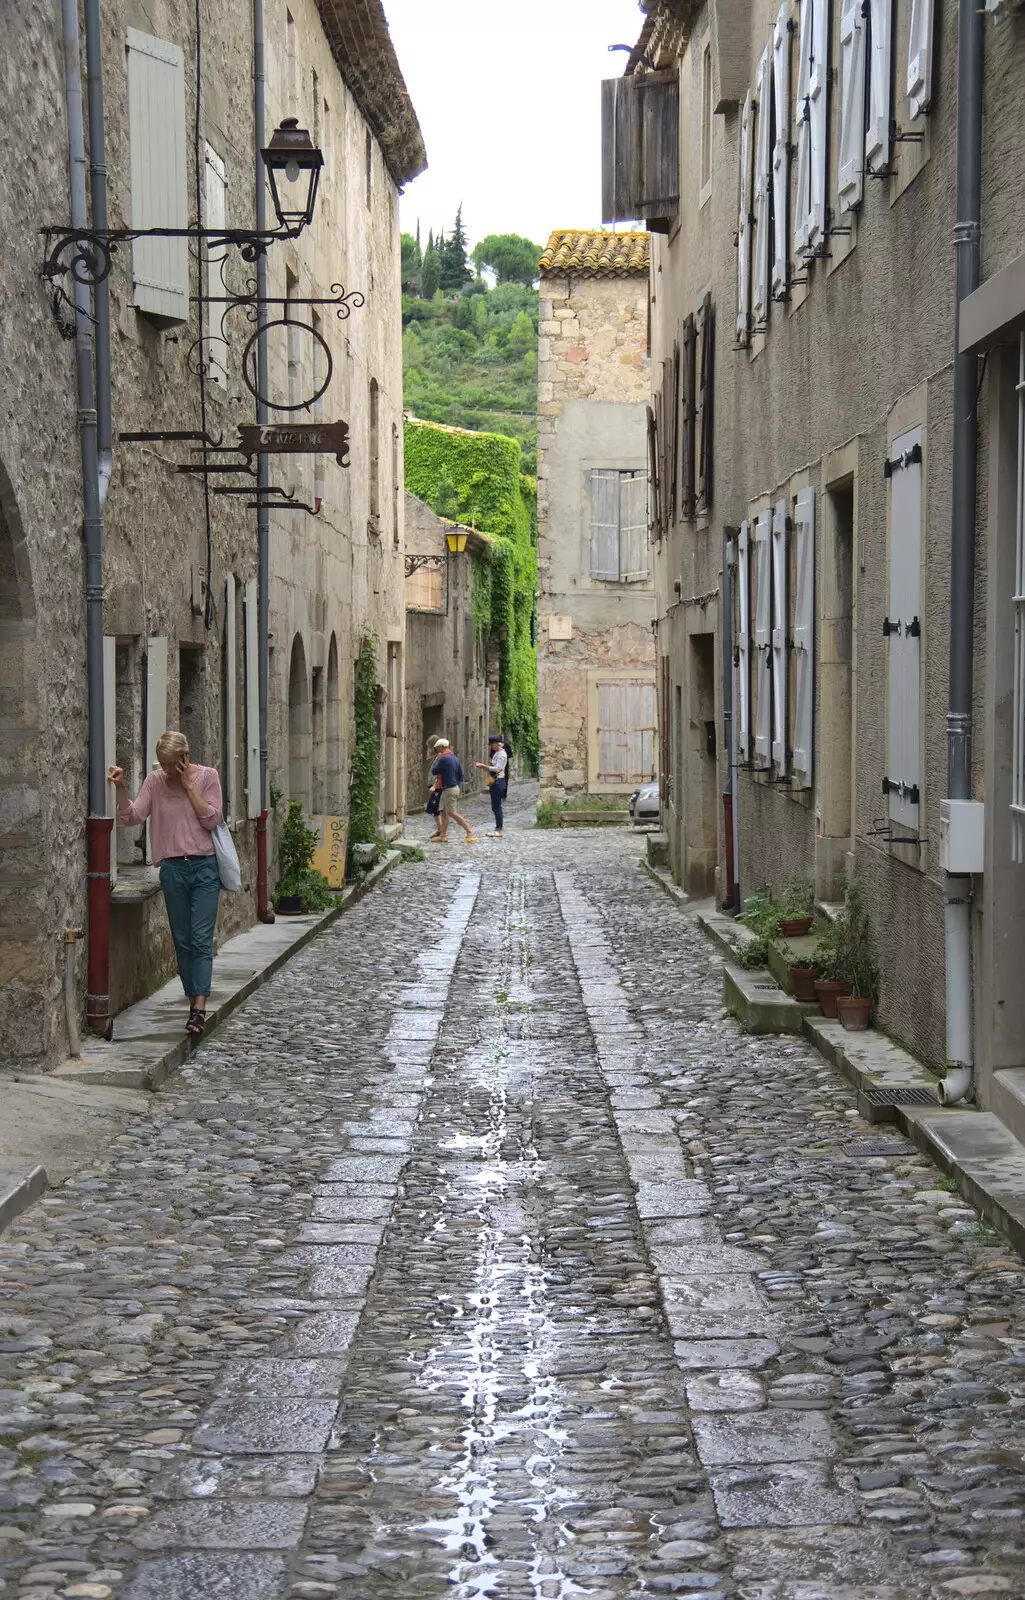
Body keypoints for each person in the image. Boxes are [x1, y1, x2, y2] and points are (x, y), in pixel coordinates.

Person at [108, 731, 223, 1038]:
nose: (168, 770)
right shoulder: (155, 782)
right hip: (172, 870)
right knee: (183, 941)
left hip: (204, 868)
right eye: (163, 764)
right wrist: (120, 787)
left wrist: (188, 788)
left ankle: (199, 1008)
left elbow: (211, 819)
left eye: (173, 764)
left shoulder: (208, 777)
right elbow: (132, 816)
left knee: (200, 940)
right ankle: (192, 1002)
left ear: (185, 757)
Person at [428, 736, 476, 844]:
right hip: (452, 788)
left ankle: (469, 830)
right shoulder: (454, 757)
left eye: (437, 748)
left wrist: (438, 760)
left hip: (449, 789)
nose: (437, 751)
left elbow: (434, 771)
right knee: (444, 812)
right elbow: (461, 774)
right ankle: (443, 836)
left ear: (441, 747)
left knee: (451, 812)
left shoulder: (444, 758)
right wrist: (455, 784)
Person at [476, 734, 508, 838]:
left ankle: (499, 829)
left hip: (498, 781)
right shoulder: (497, 753)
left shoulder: (502, 755)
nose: (490, 746)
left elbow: (498, 768)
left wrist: (484, 766)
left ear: (496, 744)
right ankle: (498, 828)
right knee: (494, 806)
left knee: (497, 806)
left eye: (491, 744)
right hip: (495, 781)